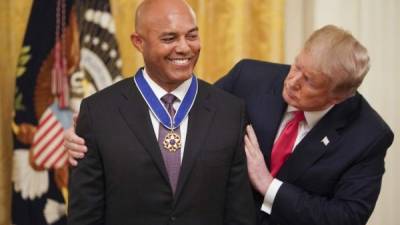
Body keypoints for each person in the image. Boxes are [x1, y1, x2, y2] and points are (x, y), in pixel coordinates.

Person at [66, 23, 394, 225]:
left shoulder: (368, 135)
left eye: (309, 81)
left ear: (339, 97)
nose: (292, 81)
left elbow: (346, 218)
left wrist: (269, 187)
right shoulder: (251, 77)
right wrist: (100, 129)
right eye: (296, 65)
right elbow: (186, 118)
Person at [67, 0, 256, 224]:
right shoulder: (98, 113)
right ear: (139, 42)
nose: (185, 47)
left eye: (192, 36)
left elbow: (239, 213)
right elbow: (85, 216)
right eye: (169, 38)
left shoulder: (230, 112)